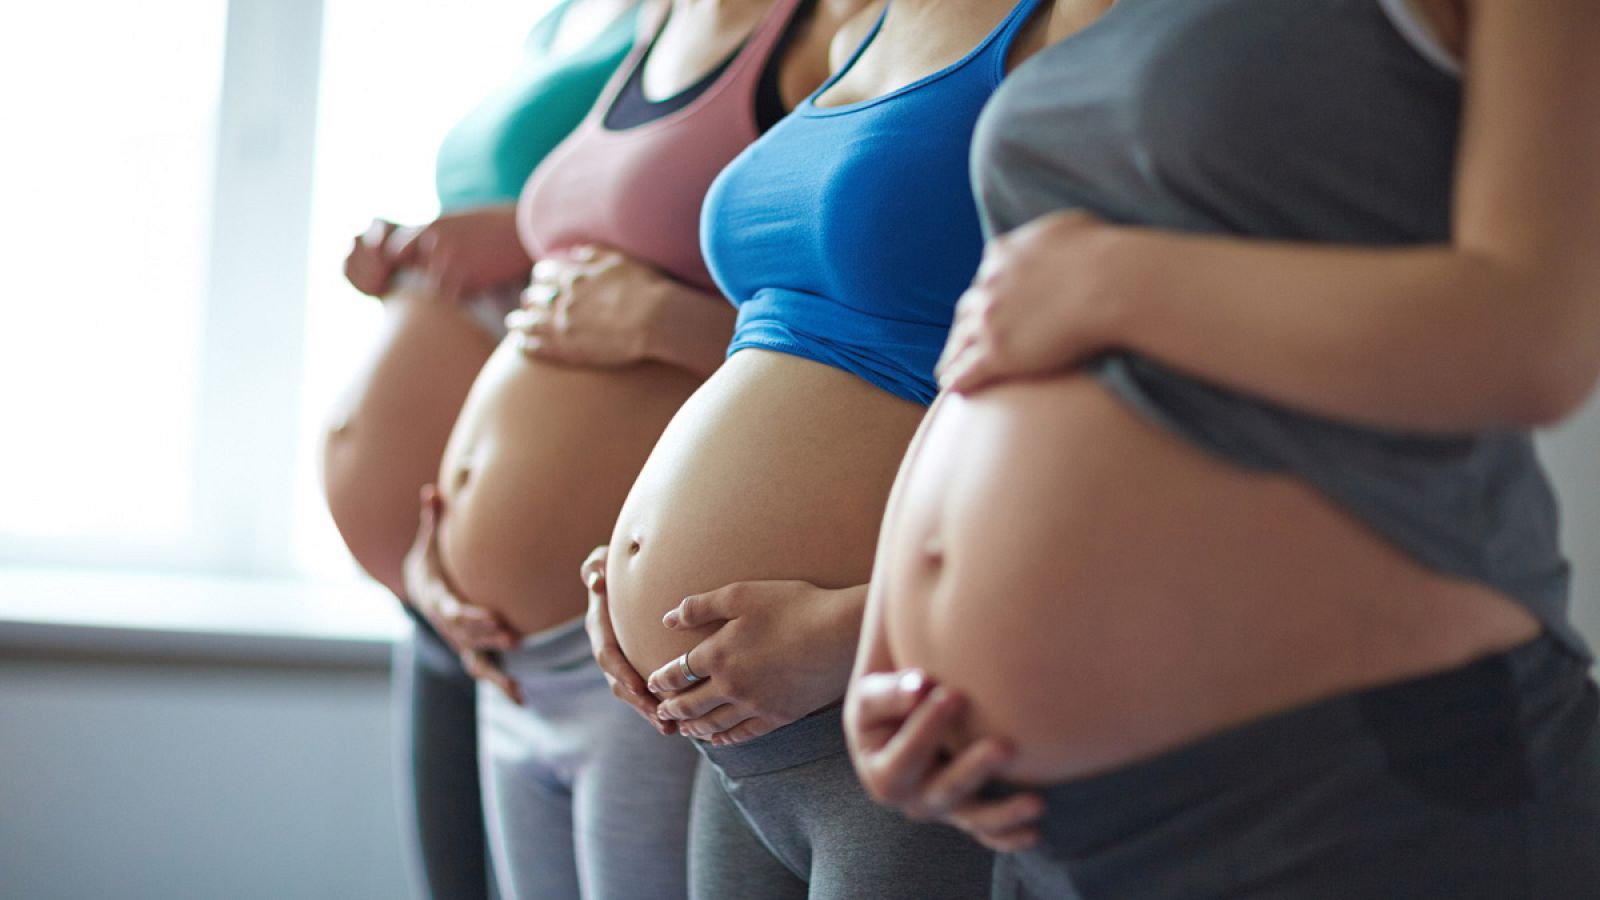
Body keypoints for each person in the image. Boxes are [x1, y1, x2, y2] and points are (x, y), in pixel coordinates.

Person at [844, 1, 1600, 896]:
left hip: (1354, 790)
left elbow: (1532, 341)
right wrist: (885, 655)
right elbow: (997, 334)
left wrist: (1113, 282)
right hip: (1048, 825)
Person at [580, 0, 1057, 895]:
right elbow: (771, 361)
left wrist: (860, 629)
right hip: (734, 735)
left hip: (891, 705)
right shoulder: (859, 31)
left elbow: (1110, 424)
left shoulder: (1075, 25)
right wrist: (636, 561)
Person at [399, 0, 858, 895]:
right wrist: (447, 546)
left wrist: (656, 319)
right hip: (511, 654)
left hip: (637, 653)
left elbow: (841, 332)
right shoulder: (661, 25)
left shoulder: (830, 31)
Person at [320, 2, 639, 897]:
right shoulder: (565, 20)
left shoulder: (710, 25)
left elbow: (666, 225)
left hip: (555, 606)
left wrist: (521, 236)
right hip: (432, 581)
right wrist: (408, 253)